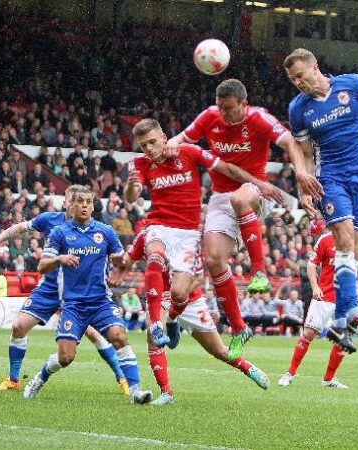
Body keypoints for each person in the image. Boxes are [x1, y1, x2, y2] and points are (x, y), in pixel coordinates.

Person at [165, 79, 321, 355]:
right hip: (219, 197)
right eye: (220, 107)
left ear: (244, 105)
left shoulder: (259, 119)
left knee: (240, 198)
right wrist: (167, 146)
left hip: (255, 191)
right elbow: (182, 138)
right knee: (213, 260)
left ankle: (258, 272)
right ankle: (239, 327)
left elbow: (291, 143)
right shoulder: (209, 117)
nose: (223, 114)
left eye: (229, 108)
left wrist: (300, 172)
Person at [125, 118, 284, 356]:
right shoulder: (138, 164)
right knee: (156, 256)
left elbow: (226, 168)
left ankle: (171, 321)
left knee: (180, 293)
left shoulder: (189, 152)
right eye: (143, 145)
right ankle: (157, 326)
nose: (148, 149)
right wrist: (131, 186)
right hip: (159, 226)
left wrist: (259, 183)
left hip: (188, 234)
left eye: (152, 142)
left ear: (164, 138)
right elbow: (131, 196)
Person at [0, 185, 128, 395]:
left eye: (78, 201)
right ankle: (13, 380)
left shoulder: (95, 229)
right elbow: (19, 228)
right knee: (19, 326)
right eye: (69, 200)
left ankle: (123, 379)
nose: (73, 204)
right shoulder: (50, 220)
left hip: (77, 290)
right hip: (50, 288)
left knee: (95, 334)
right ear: (67, 203)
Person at [284, 48, 358, 352]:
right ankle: (353, 311)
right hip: (332, 179)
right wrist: (304, 185)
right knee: (342, 239)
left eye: (301, 75)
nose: (298, 82)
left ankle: (340, 323)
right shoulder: (298, 109)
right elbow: (302, 152)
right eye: (293, 79)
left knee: (353, 249)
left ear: (315, 67)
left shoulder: (353, 84)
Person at [109, 228, 269, 406]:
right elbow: (129, 258)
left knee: (218, 350)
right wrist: (120, 269)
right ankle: (166, 392)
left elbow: (199, 278)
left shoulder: (188, 237)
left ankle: (248, 368)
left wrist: (182, 291)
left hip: (191, 298)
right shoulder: (148, 236)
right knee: (153, 337)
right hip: (161, 297)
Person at [23, 188, 152, 404]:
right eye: (79, 201)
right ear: (71, 205)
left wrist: (119, 272)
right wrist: (60, 259)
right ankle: (40, 377)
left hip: (100, 301)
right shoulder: (60, 233)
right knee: (66, 358)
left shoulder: (106, 232)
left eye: (88, 202)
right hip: (73, 305)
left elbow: (122, 260)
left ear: (93, 206)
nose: (84, 205)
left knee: (119, 336)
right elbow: (42, 266)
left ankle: (135, 390)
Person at [278, 220, 358, 389]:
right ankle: (289, 373)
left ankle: (328, 379)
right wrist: (315, 287)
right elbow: (311, 265)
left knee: (342, 339)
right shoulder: (326, 240)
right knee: (308, 334)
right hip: (324, 297)